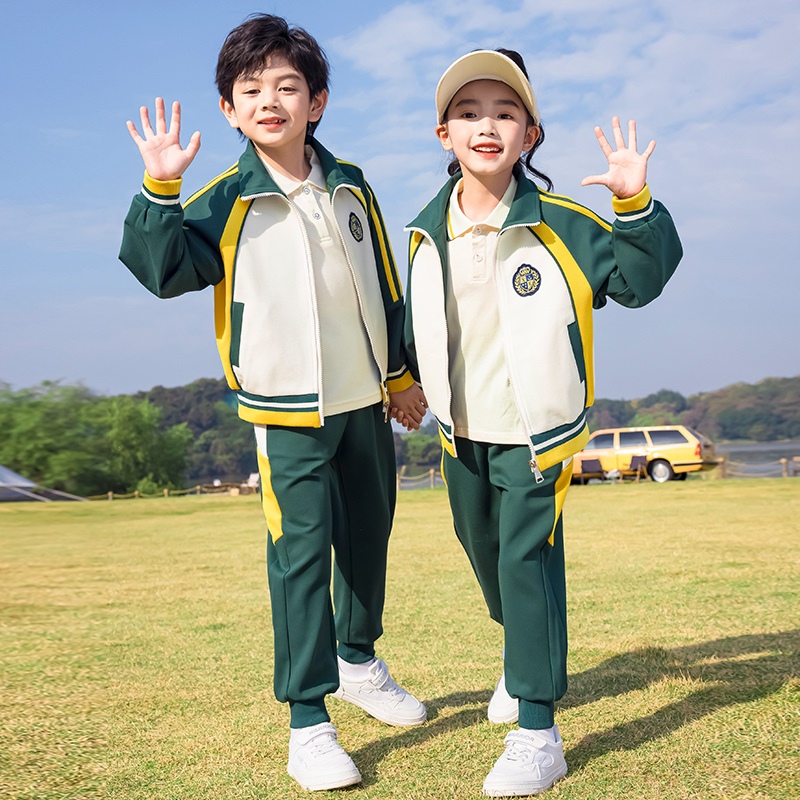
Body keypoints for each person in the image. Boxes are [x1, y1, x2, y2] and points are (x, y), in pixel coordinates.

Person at [118, 14, 428, 793]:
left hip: (365, 402)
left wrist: (400, 375)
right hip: (284, 407)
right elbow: (163, 271)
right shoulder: (227, 198)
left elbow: (385, 285)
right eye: (250, 89)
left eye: (287, 86)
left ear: (316, 102)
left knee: (369, 540)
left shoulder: (352, 182)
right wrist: (160, 188)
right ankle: (308, 723)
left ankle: (358, 661)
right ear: (229, 109)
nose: (269, 100)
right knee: (301, 556)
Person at [401, 49, 682, 796]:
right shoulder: (423, 233)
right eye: (468, 113)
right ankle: (524, 652)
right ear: (443, 134)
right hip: (462, 435)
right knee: (486, 554)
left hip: (539, 435)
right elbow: (413, 323)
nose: (486, 126)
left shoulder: (565, 225)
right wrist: (404, 383)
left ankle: (537, 732)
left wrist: (635, 203)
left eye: (505, 113)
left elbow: (641, 281)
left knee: (525, 562)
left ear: (530, 134)